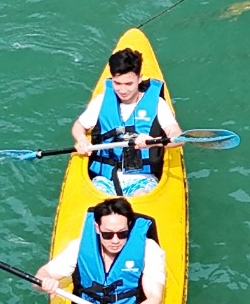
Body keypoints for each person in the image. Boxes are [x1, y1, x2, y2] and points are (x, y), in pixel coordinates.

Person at [38, 196, 167, 304]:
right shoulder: (79, 247)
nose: (115, 240)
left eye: (122, 234)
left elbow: (155, 301)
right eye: (108, 234)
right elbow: (42, 274)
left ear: (129, 226)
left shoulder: (148, 249)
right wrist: (45, 282)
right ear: (97, 228)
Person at [70, 45, 183, 197]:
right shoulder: (102, 101)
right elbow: (79, 126)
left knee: (140, 196)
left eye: (129, 84)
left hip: (142, 179)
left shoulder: (157, 104)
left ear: (139, 78)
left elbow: (178, 136)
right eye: (117, 83)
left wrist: (154, 141)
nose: (123, 90)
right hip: (105, 179)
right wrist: (82, 139)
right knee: (102, 207)